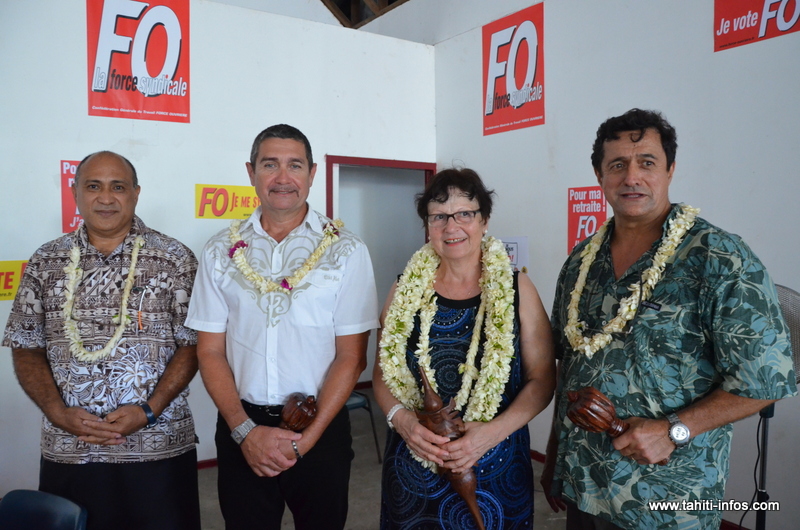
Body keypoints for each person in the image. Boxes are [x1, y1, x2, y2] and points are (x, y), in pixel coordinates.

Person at [541, 108, 797, 529]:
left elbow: (768, 381)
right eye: (617, 164)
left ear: (670, 170)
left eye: (647, 163)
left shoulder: (719, 257)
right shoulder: (581, 262)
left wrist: (674, 429)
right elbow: (569, 366)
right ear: (599, 175)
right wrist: (554, 455)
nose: (632, 177)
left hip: (671, 500)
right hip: (586, 485)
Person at [186, 124, 379, 529]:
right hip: (242, 426)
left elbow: (352, 356)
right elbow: (209, 350)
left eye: (295, 165)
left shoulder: (347, 250)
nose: (282, 178)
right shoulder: (220, 250)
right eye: (269, 164)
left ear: (312, 173)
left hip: (320, 425)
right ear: (250, 171)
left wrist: (307, 439)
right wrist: (245, 432)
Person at [2, 151, 201, 530]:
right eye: (93, 186)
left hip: (158, 448)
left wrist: (149, 410)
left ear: (136, 194)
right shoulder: (46, 261)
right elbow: (27, 348)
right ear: (75, 191)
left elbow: (193, 346)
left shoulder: (175, 259)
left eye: (118, 187)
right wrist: (58, 414)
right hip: (71, 450)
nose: (106, 198)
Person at [373, 168, 556, 529]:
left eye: (465, 214)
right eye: (438, 216)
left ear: (484, 220)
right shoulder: (403, 288)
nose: (451, 226)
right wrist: (403, 421)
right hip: (414, 470)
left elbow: (543, 379)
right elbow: (382, 371)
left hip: (494, 468)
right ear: (427, 226)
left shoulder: (518, 289)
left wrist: (490, 433)